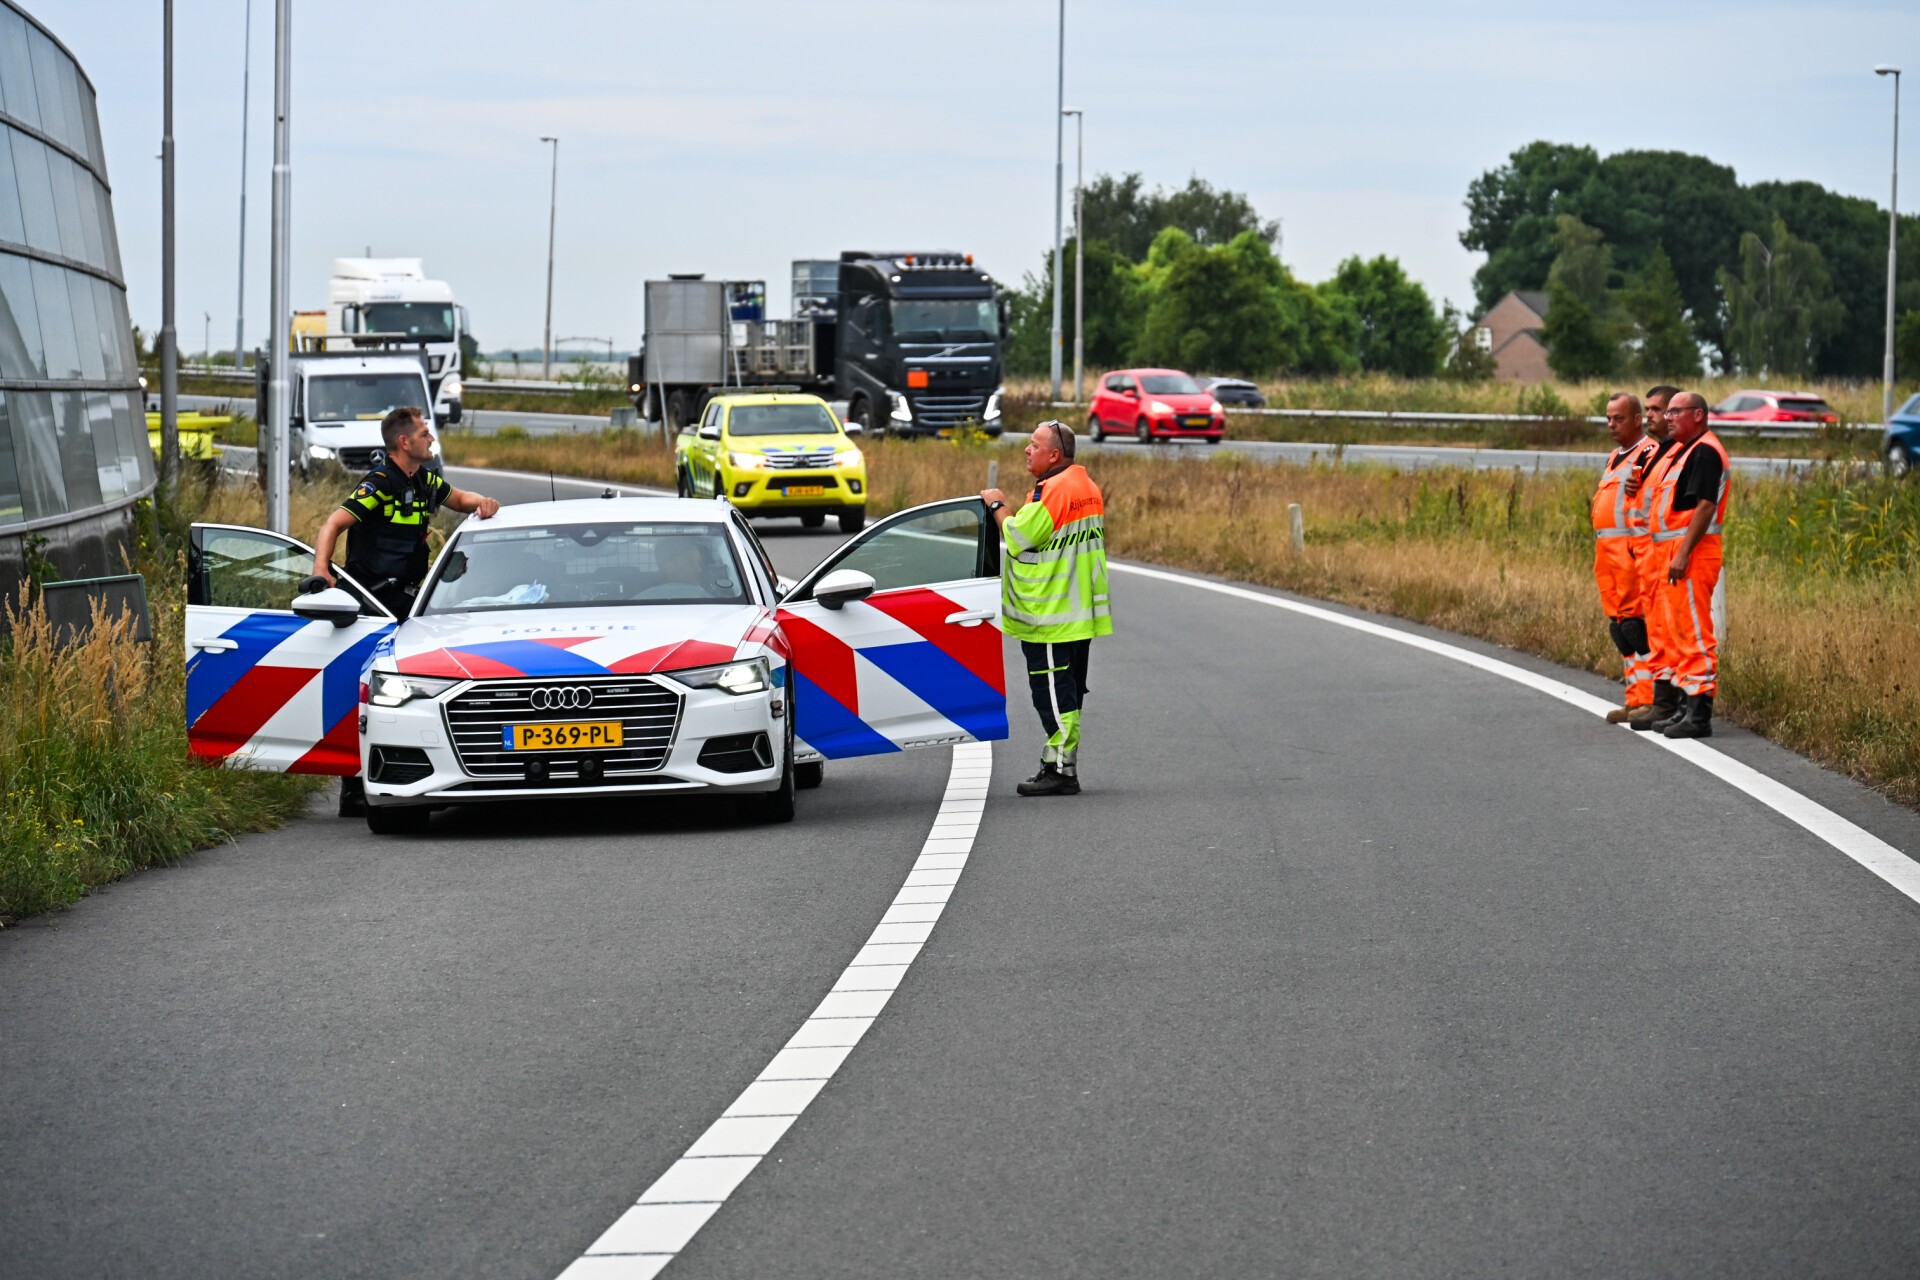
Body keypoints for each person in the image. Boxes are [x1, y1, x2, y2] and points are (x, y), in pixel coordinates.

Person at [311, 405, 499, 814]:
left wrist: (483, 503)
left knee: (411, 688)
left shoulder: (425, 480)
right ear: (404, 442)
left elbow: (459, 499)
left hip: (410, 602)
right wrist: (321, 571)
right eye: (424, 433)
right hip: (371, 603)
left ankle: (419, 769)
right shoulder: (379, 483)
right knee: (368, 690)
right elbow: (332, 525)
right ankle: (354, 789)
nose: (431, 438)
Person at [981, 421, 1112, 797]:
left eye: (1034, 445)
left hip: (1050, 615)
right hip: (1078, 610)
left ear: (1054, 454)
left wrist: (997, 504)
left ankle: (1063, 772)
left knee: (1052, 694)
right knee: (1066, 693)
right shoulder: (1086, 486)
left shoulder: (1053, 491)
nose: (1027, 450)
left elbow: (1017, 536)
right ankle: (1054, 764)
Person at [1643, 391, 1729, 739]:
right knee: (1677, 632)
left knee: (1693, 632)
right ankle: (1683, 708)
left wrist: (1682, 553)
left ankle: (1699, 715)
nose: (1668, 418)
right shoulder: (1684, 450)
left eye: (1675, 412)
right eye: (1668, 413)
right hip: (1674, 553)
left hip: (1692, 554)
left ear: (1698, 415)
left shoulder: (1705, 450)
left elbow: (1705, 506)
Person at [1591, 393, 1660, 725]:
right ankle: (1634, 698)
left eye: (1618, 418)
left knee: (1636, 627)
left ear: (1637, 419)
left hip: (1631, 550)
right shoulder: (1614, 457)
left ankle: (1651, 698)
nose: (1611, 424)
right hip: (1607, 552)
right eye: (1608, 418)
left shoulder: (1648, 452)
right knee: (1620, 629)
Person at [1627, 385, 1684, 732]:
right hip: (1647, 557)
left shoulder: (1680, 453)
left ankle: (1671, 703)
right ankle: (1661, 702)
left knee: (1670, 631)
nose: (1650, 415)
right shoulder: (1656, 454)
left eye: (1656, 409)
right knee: (1656, 632)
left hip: (1666, 556)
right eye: (1647, 408)